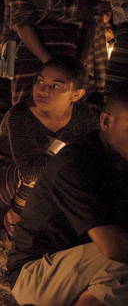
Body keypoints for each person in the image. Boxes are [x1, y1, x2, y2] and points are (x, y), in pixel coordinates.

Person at [7, 82, 128, 306]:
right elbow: (114, 248)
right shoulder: (76, 165)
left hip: (80, 264)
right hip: (36, 275)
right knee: (121, 257)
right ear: (105, 121)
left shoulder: (121, 157)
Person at [0, 58, 98, 237]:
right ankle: (16, 216)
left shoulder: (84, 117)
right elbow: (30, 171)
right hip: (3, 178)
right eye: (40, 81)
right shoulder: (20, 116)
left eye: (55, 86)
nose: (42, 90)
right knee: (48, 161)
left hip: (51, 180)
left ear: (76, 94)